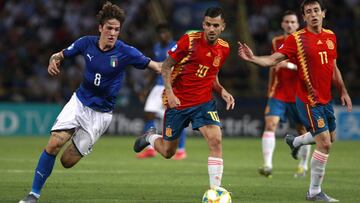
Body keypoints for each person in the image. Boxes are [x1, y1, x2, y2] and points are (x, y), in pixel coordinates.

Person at [19, 2, 162, 203]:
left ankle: (81, 139)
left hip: (101, 115)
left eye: (117, 29)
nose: (113, 33)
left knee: (67, 162)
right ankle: (33, 194)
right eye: (110, 28)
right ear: (100, 28)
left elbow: (156, 66)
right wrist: (53, 60)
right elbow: (59, 55)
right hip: (79, 103)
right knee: (54, 144)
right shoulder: (85, 43)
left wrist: (172, 67)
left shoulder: (126, 52)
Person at [238, 0, 352, 201]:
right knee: (324, 144)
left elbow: (334, 67)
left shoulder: (331, 36)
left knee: (331, 137)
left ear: (323, 13)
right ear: (304, 17)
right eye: (309, 12)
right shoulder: (297, 39)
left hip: (326, 98)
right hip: (308, 99)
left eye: (316, 10)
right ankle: (314, 192)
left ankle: (296, 140)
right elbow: (273, 60)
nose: (313, 14)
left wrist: (343, 90)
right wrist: (253, 58)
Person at [134, 7, 235, 189]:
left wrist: (222, 91)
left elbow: (212, 75)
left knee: (215, 140)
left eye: (215, 25)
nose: (211, 29)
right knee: (167, 151)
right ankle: (150, 137)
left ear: (223, 27)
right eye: (208, 25)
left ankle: (215, 192)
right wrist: (170, 94)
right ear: (203, 25)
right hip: (178, 102)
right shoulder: (189, 41)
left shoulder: (224, 48)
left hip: (204, 103)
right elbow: (165, 67)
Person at [258, 10, 311, 178]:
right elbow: (274, 66)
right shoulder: (276, 41)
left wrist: (288, 66)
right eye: (286, 21)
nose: (289, 24)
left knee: (302, 130)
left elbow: (307, 69)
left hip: (298, 94)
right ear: (282, 24)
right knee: (270, 125)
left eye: (292, 22)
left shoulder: (304, 42)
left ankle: (303, 166)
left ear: (298, 24)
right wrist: (270, 89)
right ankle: (267, 165)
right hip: (278, 93)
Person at [136, 23, 188, 160]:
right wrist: (146, 88)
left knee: (177, 118)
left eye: (165, 33)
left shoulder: (177, 46)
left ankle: (181, 150)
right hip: (159, 86)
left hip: (172, 87)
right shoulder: (157, 48)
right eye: (160, 33)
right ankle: (150, 149)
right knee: (149, 114)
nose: (162, 36)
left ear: (169, 34)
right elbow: (156, 69)